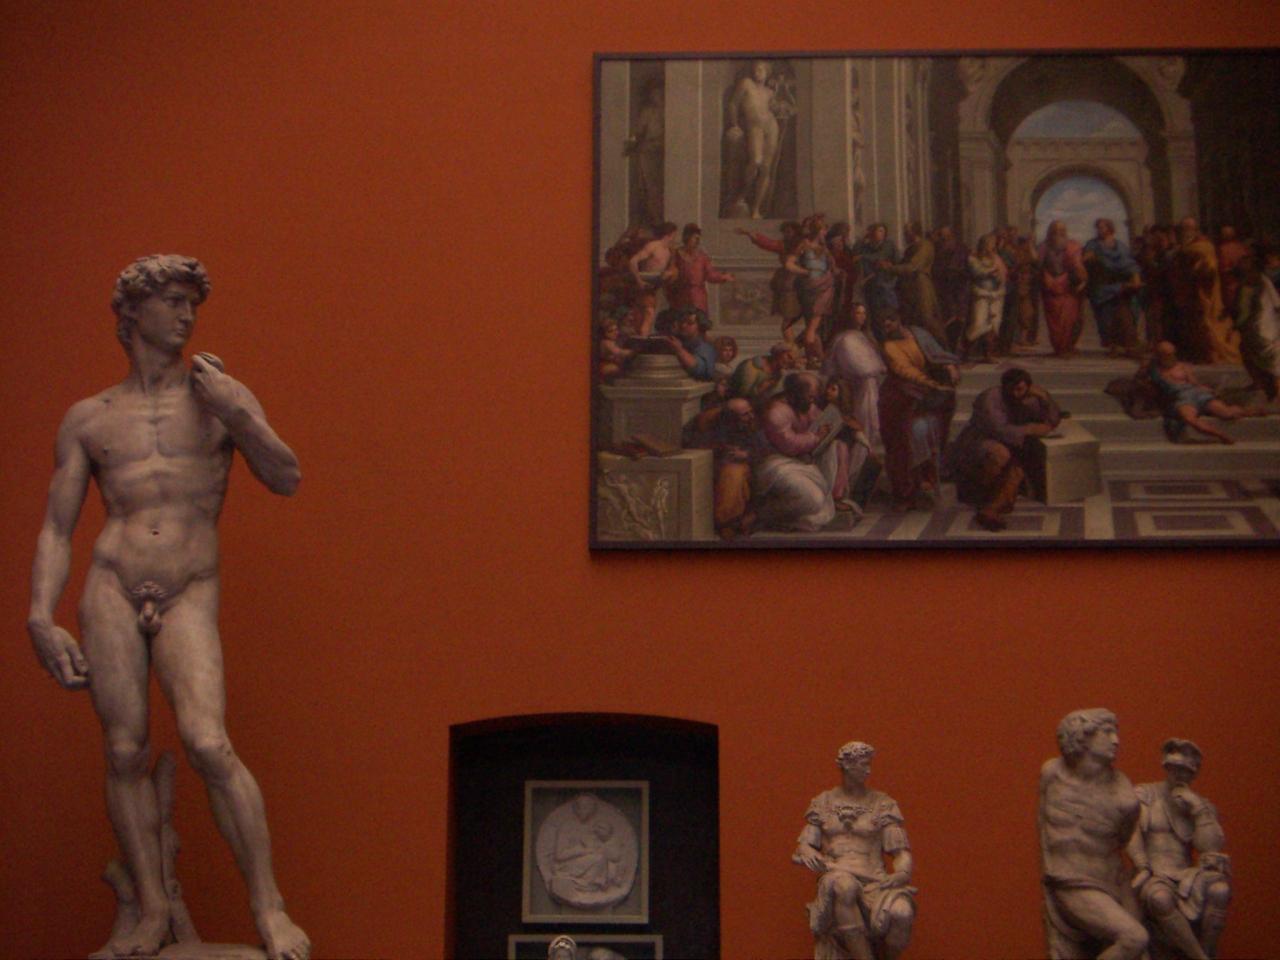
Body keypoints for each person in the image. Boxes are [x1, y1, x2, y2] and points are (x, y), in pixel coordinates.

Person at [27, 256, 309, 960]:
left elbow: (286, 476)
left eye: (192, 303)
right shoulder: (90, 417)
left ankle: (269, 907)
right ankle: (152, 910)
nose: (187, 315)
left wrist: (238, 413)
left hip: (188, 586)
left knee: (208, 742)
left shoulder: (217, 396)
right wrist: (39, 615)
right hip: (112, 584)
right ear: (132, 313)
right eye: (173, 301)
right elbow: (58, 527)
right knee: (124, 750)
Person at [1039, 708, 1148, 960]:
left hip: (1113, 880)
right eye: (1107, 732)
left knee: (1143, 951)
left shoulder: (1122, 790)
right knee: (1134, 938)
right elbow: (1043, 832)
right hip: (1072, 882)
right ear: (1083, 736)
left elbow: (1123, 839)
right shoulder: (1052, 774)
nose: (1116, 741)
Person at [793, 741, 916, 960]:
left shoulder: (883, 804)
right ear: (847, 765)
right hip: (835, 876)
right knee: (845, 886)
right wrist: (807, 851)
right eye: (863, 764)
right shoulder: (823, 803)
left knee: (902, 913)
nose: (868, 770)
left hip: (876, 881)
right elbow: (805, 844)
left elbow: (901, 852)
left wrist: (902, 873)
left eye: (869, 764)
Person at [1127, 740, 1231, 960]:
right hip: (1155, 873)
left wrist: (1198, 810)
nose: (1179, 775)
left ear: (1193, 773)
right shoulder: (1146, 794)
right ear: (1167, 767)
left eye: (1185, 771)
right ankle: (1199, 957)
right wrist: (1142, 866)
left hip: (1186, 875)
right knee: (1160, 898)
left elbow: (1210, 847)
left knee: (1220, 890)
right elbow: (1131, 833)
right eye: (1175, 769)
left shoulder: (1199, 804)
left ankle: (1208, 952)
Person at [945, 368, 1061, 532]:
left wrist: (1044, 397)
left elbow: (1052, 421)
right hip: (978, 442)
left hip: (1010, 445)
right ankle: (981, 498)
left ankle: (990, 510)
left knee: (1016, 473)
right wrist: (1029, 429)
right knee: (1000, 454)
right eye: (1011, 389)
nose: (1015, 394)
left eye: (1020, 389)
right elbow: (998, 429)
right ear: (1004, 386)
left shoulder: (1030, 398)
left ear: (1028, 387)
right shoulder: (990, 397)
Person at [878, 312, 959, 511]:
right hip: (900, 396)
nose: (887, 325)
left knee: (934, 422)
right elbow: (907, 372)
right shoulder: (889, 347)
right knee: (903, 441)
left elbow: (937, 353)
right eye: (883, 324)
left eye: (890, 321)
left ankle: (928, 477)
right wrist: (933, 385)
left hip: (925, 393)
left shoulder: (917, 333)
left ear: (898, 320)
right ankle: (906, 491)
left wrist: (949, 366)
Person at [755, 373, 853, 531]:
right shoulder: (776, 412)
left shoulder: (805, 405)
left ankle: (835, 497)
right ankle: (762, 515)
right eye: (810, 397)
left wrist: (832, 425)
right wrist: (816, 436)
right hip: (778, 464)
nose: (813, 401)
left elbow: (819, 419)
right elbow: (789, 445)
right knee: (814, 500)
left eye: (814, 397)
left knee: (838, 447)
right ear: (796, 393)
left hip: (803, 462)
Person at [1148, 340, 1264, 444]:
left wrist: (1204, 388)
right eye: (1168, 355)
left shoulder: (1181, 367)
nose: (1172, 357)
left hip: (1197, 394)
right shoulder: (1155, 370)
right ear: (1160, 356)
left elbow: (1194, 382)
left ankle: (1250, 411)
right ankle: (1220, 435)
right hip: (1182, 399)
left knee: (1227, 413)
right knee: (1190, 419)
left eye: (1173, 354)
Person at [1169, 218, 1240, 364]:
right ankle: (1199, 354)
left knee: (1208, 325)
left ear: (1194, 230)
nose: (1184, 232)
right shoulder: (1187, 247)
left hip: (1205, 293)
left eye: (1187, 229)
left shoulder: (1203, 246)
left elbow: (1209, 267)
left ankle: (1214, 354)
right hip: (1191, 294)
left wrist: (1194, 272)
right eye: (1182, 229)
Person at [822, 303, 886, 447]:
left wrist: (879, 367)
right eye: (858, 313)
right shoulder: (846, 339)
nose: (862, 316)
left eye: (864, 313)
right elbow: (859, 368)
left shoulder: (862, 336)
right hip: (854, 386)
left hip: (865, 384)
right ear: (850, 315)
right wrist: (878, 368)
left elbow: (876, 362)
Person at [724, 60, 782, 220]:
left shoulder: (769, 92)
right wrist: (734, 124)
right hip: (754, 126)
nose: (758, 71)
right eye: (756, 69)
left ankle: (756, 209)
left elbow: (776, 109)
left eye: (762, 69)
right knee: (756, 161)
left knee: (766, 168)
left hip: (771, 126)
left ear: (767, 72)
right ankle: (742, 196)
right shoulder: (746, 83)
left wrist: (778, 94)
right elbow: (733, 104)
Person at [1083, 218, 1144, 357]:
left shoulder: (1120, 245)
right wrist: (1092, 259)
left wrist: (1135, 278)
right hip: (1102, 287)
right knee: (1106, 319)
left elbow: (1129, 264)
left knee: (1125, 316)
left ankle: (1128, 344)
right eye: (1098, 227)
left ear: (1110, 228)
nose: (1099, 230)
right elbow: (1086, 259)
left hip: (1120, 287)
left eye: (1102, 227)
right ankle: (1113, 346)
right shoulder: (1093, 244)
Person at [877, 221, 943, 344]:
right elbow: (903, 265)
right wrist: (890, 265)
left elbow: (913, 267)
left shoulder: (925, 246)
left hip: (921, 286)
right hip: (910, 288)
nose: (904, 235)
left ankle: (942, 349)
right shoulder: (911, 248)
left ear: (913, 232)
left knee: (926, 319)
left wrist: (890, 268)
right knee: (913, 321)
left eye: (906, 232)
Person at [737, 221, 804, 341]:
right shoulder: (784, 245)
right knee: (787, 320)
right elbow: (768, 243)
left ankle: (795, 345)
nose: (786, 235)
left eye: (789, 232)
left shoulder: (804, 245)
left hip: (802, 283)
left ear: (796, 232)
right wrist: (749, 234)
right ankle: (792, 345)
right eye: (784, 232)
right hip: (788, 283)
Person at [786, 220, 837, 364]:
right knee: (811, 328)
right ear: (817, 231)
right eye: (823, 230)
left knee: (812, 327)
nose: (825, 233)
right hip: (810, 288)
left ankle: (811, 359)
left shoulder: (823, 248)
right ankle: (822, 360)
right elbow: (789, 264)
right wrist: (805, 272)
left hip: (824, 287)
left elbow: (832, 267)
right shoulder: (804, 244)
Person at [1234, 242, 1280, 400]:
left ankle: (1270, 389)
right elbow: (1276, 304)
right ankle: (1263, 385)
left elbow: (1244, 313)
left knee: (1259, 355)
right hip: (1267, 327)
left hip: (1258, 329)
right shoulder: (1262, 281)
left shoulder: (1249, 287)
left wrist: (1235, 326)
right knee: (1267, 358)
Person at [1038, 220, 1088, 357]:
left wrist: (1082, 280)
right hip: (1050, 288)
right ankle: (1060, 349)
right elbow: (1038, 266)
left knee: (1071, 319)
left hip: (1068, 287)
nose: (1058, 233)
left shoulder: (1073, 246)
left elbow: (1079, 266)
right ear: (1050, 232)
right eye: (1055, 230)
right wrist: (1046, 277)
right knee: (1055, 322)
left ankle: (1069, 346)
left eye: (1061, 230)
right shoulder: (1043, 247)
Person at [666, 223, 735, 316]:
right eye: (695, 238)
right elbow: (670, 273)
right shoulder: (676, 255)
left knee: (699, 320)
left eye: (698, 239)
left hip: (698, 297)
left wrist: (723, 277)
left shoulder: (702, 257)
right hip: (681, 297)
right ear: (687, 238)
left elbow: (710, 274)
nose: (697, 241)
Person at [627, 221, 680, 336]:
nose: (675, 239)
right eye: (674, 235)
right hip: (644, 285)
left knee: (651, 315)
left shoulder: (668, 251)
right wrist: (639, 281)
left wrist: (668, 274)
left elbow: (669, 272)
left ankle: (644, 338)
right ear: (669, 235)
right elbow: (632, 262)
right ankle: (642, 339)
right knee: (648, 313)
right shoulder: (653, 246)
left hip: (655, 288)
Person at [623, 81, 664, 226]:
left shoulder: (669, 109)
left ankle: (660, 220)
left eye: (659, 92)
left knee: (661, 186)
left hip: (663, 152)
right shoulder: (648, 112)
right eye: (654, 93)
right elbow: (638, 132)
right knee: (649, 187)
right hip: (648, 151)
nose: (657, 95)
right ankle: (655, 220)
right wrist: (631, 142)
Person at [964, 232, 1007, 363]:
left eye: (993, 244)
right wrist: (992, 270)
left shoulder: (996, 258)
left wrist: (1000, 277)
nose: (992, 247)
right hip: (981, 294)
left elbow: (1003, 274)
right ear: (984, 245)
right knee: (978, 324)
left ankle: (988, 354)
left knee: (994, 324)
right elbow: (977, 272)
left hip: (996, 295)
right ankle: (965, 352)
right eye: (990, 244)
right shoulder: (973, 258)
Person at [855, 223, 899, 341]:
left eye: (882, 231)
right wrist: (863, 239)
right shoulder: (866, 247)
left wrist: (863, 257)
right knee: (875, 319)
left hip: (887, 287)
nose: (880, 233)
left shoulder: (889, 245)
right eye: (877, 231)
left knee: (889, 316)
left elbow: (887, 259)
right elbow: (857, 255)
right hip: (872, 287)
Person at [932, 225, 970, 350]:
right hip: (945, 287)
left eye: (945, 234)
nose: (943, 237)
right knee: (948, 317)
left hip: (959, 286)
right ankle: (950, 347)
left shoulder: (961, 248)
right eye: (941, 235)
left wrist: (953, 271)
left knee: (960, 317)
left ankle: (958, 347)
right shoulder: (938, 248)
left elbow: (962, 267)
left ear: (952, 235)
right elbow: (936, 267)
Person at [662, 306, 718, 381]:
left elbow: (702, 371)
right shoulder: (676, 341)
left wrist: (679, 350)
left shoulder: (706, 348)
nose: (683, 325)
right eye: (682, 322)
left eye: (690, 323)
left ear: (700, 326)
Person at [728, 342, 795, 401]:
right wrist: (760, 389)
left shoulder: (780, 375)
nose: (791, 361)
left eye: (794, 360)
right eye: (789, 356)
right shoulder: (750, 366)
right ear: (779, 352)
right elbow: (742, 395)